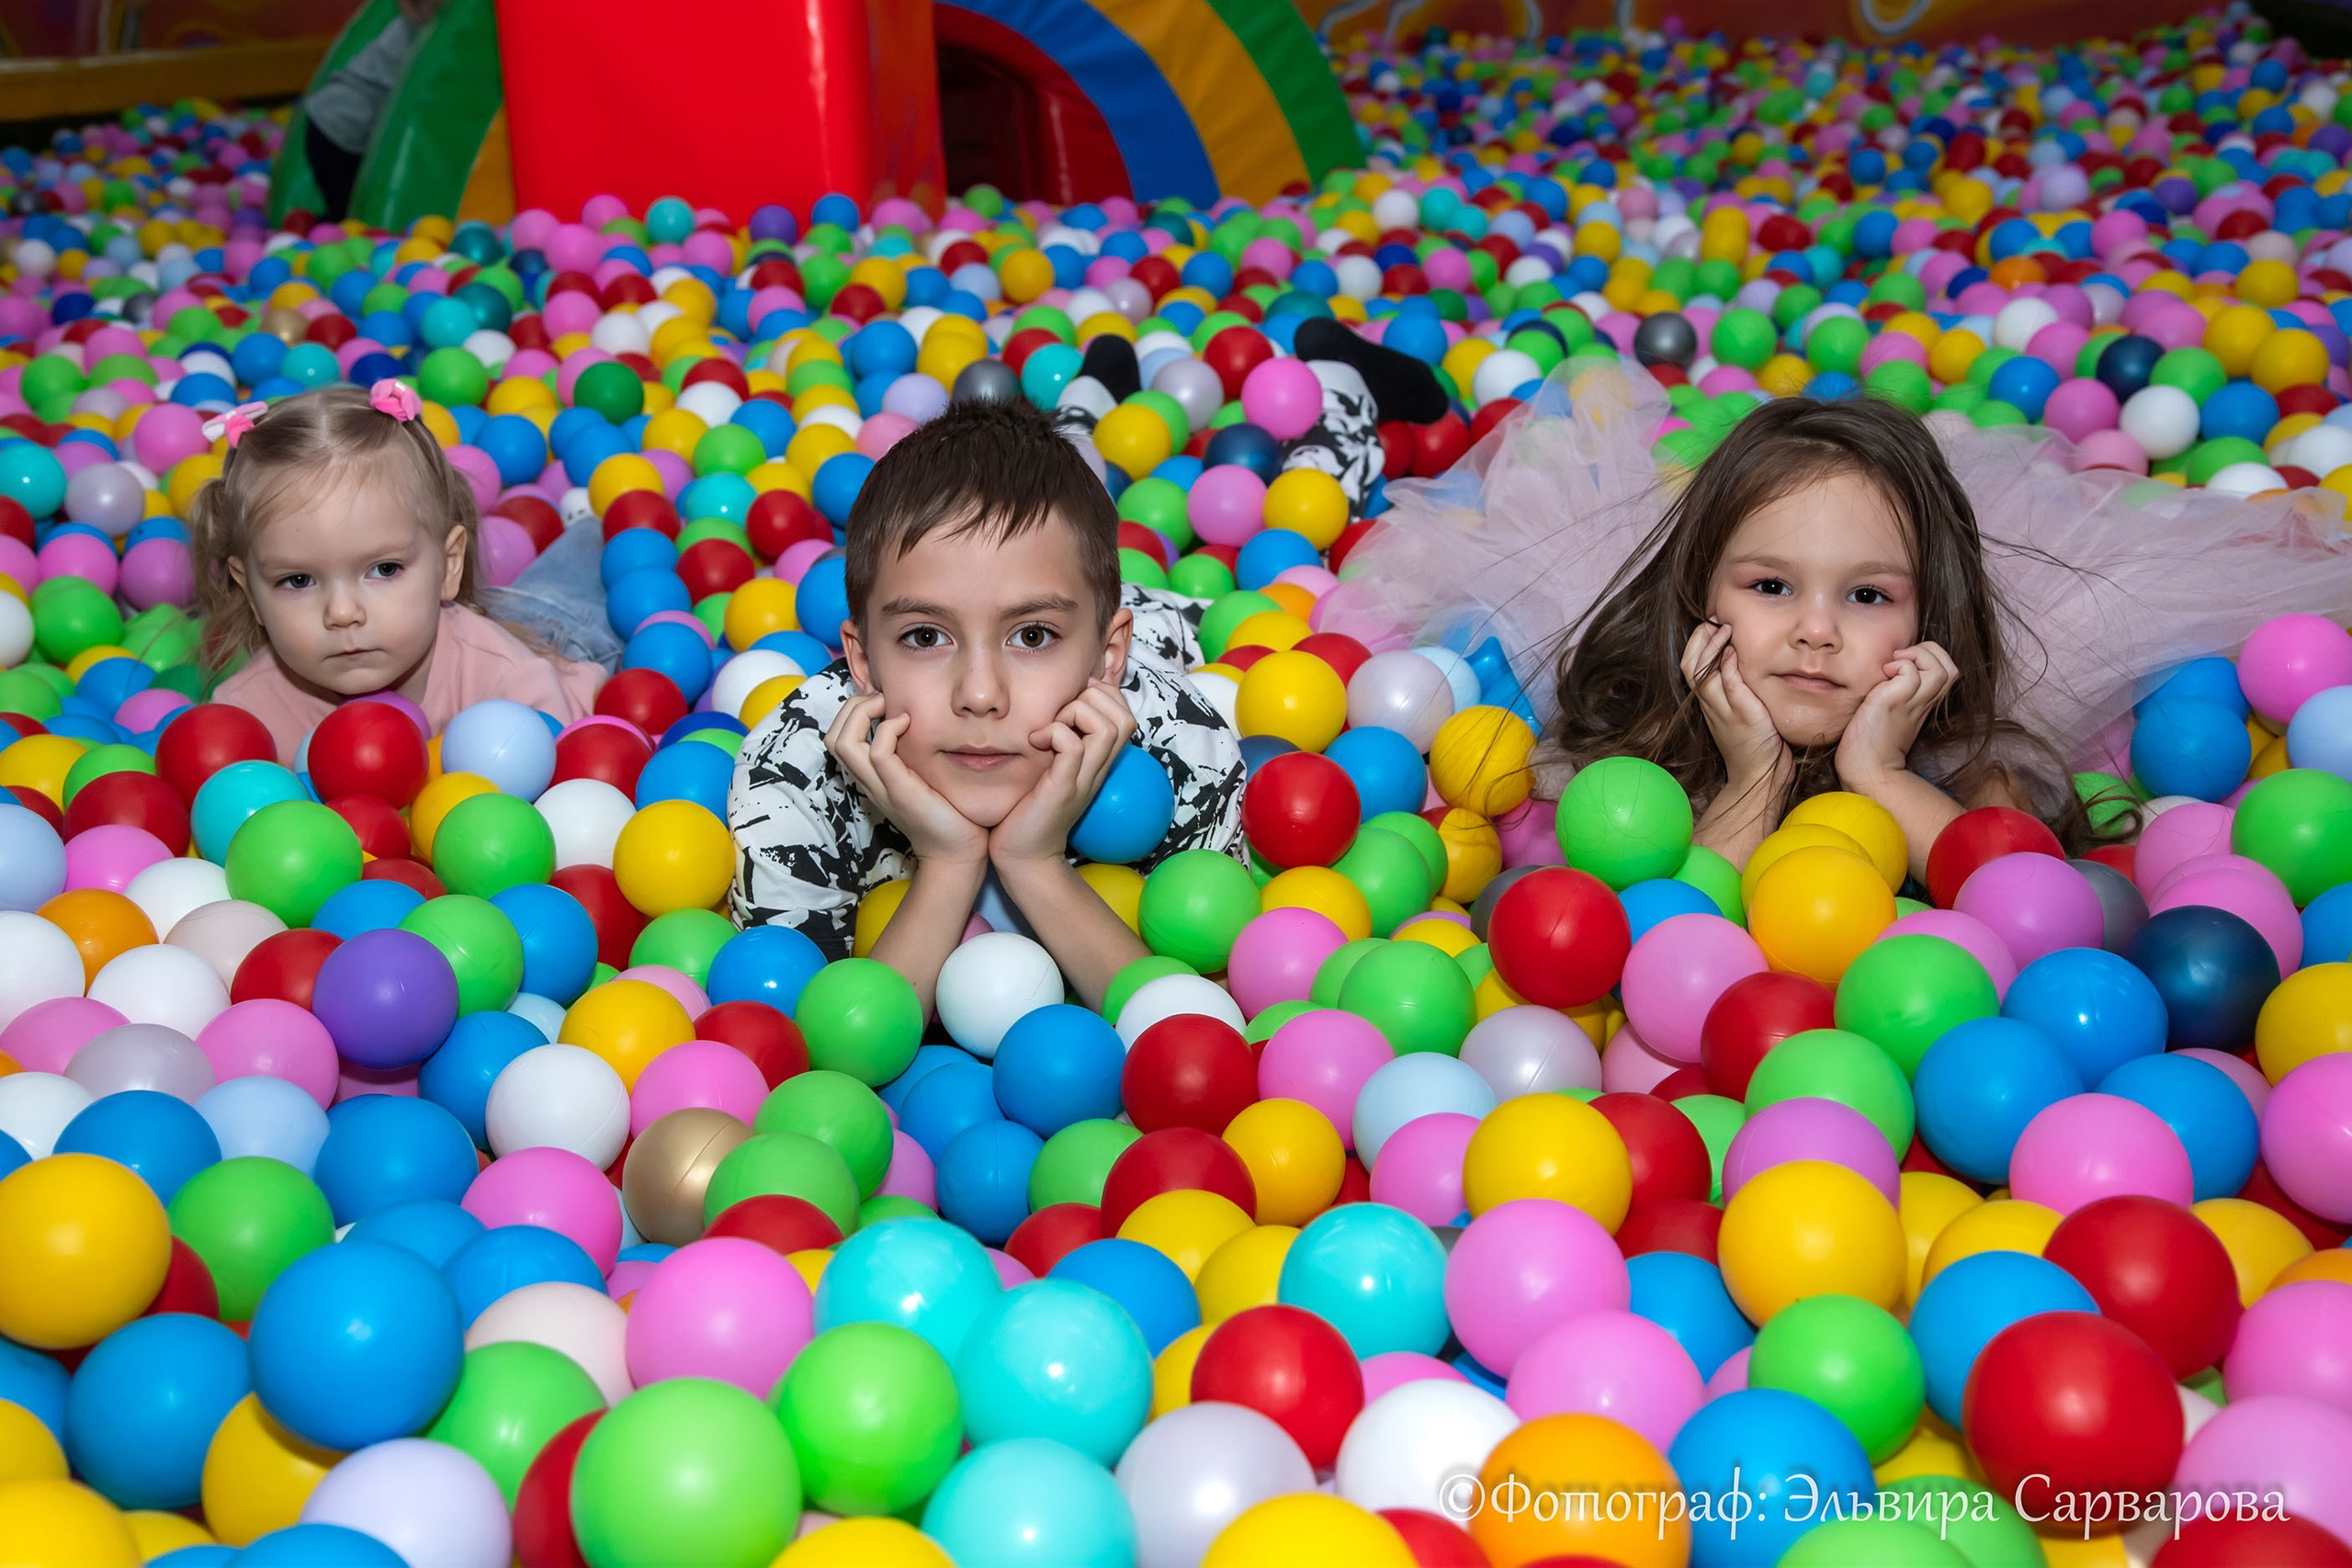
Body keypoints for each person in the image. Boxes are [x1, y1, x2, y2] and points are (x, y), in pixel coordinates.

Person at [1321, 360, 2352, 880]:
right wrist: (1755, 777)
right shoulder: (1642, 736)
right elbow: (1676, 936)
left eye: (1867, 597)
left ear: (1924, 619)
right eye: (1771, 588)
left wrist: (1881, 774)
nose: (1816, 631)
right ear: (1703, 599)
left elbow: (2017, 906)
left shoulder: (1970, 758)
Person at [729, 400, 1244, 1018]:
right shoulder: (791, 773)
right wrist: (949, 863)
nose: (979, 694)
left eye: (1032, 636)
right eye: (925, 636)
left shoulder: (1182, 741)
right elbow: (823, 1051)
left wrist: (1035, 863)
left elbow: (1199, 1032)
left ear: (1109, 657)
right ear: (862, 663)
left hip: (1157, 628)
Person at [191, 381, 605, 763]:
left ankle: (592, 526)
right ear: (251, 593)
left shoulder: (512, 686)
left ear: (449, 565)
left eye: (384, 569)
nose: (342, 613)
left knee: (578, 574)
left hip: (564, 634)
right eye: (298, 580)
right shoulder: (245, 721)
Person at [301, 0, 440, 223]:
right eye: (432, 6)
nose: (439, 10)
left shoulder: (419, 31)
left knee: (348, 207)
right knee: (352, 213)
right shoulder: (412, 35)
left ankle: (328, 224)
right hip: (335, 133)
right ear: (406, 7)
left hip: (330, 122)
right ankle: (327, 231)